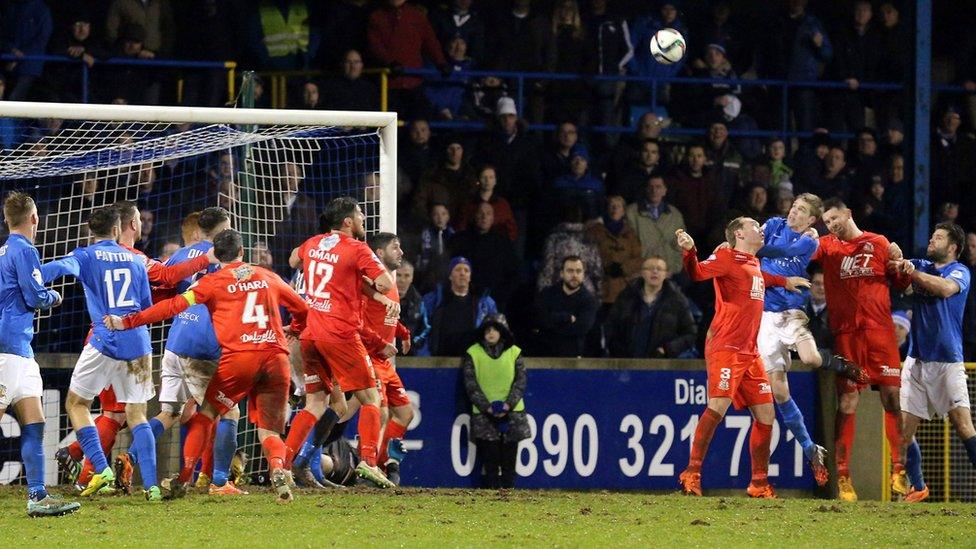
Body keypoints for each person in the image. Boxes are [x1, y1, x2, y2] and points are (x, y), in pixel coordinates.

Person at [106, 228, 308, 503]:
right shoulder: (267, 276)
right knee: (269, 430)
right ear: (242, 252)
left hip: (230, 357)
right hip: (276, 357)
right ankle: (277, 468)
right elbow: (302, 308)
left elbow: (173, 306)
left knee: (206, 412)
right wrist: (295, 328)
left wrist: (129, 321)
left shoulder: (211, 282)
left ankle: (187, 476)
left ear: (214, 255)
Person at [55, 204, 216, 494]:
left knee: (114, 414)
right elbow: (166, 278)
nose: (143, 223)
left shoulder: (97, 255)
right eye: (140, 219)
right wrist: (205, 259)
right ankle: (89, 473)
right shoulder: (136, 259)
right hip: (124, 340)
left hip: (101, 337)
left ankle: (80, 458)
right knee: (121, 415)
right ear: (129, 225)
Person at [675, 219, 810, 498]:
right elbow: (698, 273)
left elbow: (761, 277)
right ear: (738, 233)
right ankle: (692, 473)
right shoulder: (726, 256)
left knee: (766, 414)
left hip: (750, 352)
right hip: (726, 346)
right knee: (718, 407)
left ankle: (759, 484)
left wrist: (785, 281)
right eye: (753, 225)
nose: (760, 228)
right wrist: (690, 252)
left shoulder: (754, 263)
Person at [40, 206, 161, 500]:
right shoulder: (135, 259)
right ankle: (153, 486)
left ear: (90, 231)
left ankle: (101, 469)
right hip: (138, 342)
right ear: (118, 229)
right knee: (137, 414)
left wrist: (30, 277)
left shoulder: (86, 255)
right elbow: (145, 306)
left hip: (105, 341)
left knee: (77, 404)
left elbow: (56, 269)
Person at [755, 193, 866, 487]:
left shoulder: (809, 241)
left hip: (791, 311)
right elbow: (760, 243)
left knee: (812, 359)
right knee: (779, 392)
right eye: (793, 207)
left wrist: (757, 247)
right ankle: (810, 448)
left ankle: (839, 364)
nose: (793, 213)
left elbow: (768, 250)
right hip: (765, 317)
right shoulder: (774, 223)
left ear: (811, 220)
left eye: (801, 211)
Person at [288, 197, 397, 488]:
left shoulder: (313, 243)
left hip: (310, 332)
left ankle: (287, 465)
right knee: (371, 397)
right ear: (348, 222)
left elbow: (293, 258)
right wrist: (374, 290)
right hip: (340, 334)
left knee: (318, 404)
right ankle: (369, 461)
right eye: (360, 215)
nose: (363, 220)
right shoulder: (357, 248)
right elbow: (386, 283)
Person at [814, 197, 912, 501]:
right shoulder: (827, 247)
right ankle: (843, 476)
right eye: (826, 222)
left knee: (892, 399)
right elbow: (801, 249)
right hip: (847, 336)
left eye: (833, 218)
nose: (831, 225)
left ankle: (899, 469)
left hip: (881, 334)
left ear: (848, 213)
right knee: (848, 401)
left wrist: (905, 268)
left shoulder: (879, 243)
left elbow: (901, 282)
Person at [0, 192, 80, 517]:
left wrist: (59, 266)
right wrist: (55, 296)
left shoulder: (7, 251)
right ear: (34, 218)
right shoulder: (25, 250)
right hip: (7, 351)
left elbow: (24, 282)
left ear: (8, 219)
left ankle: (37, 496)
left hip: (21, 351)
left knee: (35, 423)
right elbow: (34, 295)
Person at [896, 223, 975, 503]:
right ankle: (917, 487)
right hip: (916, 359)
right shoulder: (922, 264)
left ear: (952, 247)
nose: (932, 240)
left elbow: (944, 289)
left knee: (963, 425)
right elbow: (898, 261)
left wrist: (912, 273)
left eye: (939, 237)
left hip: (947, 361)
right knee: (903, 429)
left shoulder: (959, 272)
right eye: (932, 236)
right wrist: (896, 256)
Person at [461, 314, 529, 488]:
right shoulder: (473, 353)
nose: (491, 333)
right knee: (489, 460)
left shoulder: (515, 352)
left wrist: (508, 404)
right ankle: (491, 495)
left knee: (509, 459)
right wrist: (487, 407)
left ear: (502, 332)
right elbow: (471, 384)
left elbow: (520, 382)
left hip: (513, 414)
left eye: (495, 330)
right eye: (488, 330)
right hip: (484, 415)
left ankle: (508, 493)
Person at [606, 256, 697, 359]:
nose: (655, 271)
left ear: (666, 274)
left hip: (661, 364)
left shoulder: (677, 300)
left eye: (659, 269)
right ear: (642, 273)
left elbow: (690, 333)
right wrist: (617, 351)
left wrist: (667, 349)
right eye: (650, 268)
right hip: (627, 363)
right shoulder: (627, 296)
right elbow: (611, 326)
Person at [421, 256, 498, 356]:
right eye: (457, 269)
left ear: (470, 277)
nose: (462, 273)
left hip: (473, 361)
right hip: (439, 361)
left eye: (466, 270)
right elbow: (423, 331)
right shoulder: (434, 300)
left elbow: (495, 332)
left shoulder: (485, 303)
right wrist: (425, 360)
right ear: (450, 276)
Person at [533, 256, 598, 357]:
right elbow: (539, 321)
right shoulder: (547, 294)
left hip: (574, 357)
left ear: (583, 274)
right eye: (570, 271)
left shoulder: (589, 300)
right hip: (545, 354)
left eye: (578, 271)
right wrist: (567, 318)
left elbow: (581, 329)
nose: (574, 275)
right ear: (562, 273)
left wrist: (553, 323)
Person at [625, 176, 686, 276]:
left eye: (658, 187)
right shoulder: (632, 212)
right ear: (646, 189)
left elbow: (681, 246)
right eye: (651, 187)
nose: (654, 190)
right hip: (641, 271)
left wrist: (674, 268)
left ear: (664, 190)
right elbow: (628, 245)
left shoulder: (675, 215)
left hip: (668, 270)